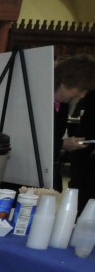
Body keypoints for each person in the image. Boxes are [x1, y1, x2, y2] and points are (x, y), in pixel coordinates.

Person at [52, 54, 95, 191]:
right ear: (65, 82)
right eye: (81, 90)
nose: (82, 96)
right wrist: (63, 144)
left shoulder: (63, 104)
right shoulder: (39, 100)